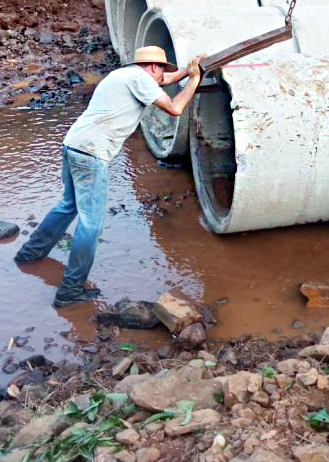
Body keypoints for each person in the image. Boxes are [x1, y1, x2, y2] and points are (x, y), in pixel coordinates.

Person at [15, 45, 203, 307]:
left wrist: (191, 69)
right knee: (91, 225)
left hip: (73, 144)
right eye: (162, 69)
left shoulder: (125, 76)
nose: (164, 75)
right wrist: (194, 80)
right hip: (92, 154)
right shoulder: (141, 79)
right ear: (152, 67)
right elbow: (174, 107)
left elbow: (168, 79)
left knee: (68, 206)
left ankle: (28, 255)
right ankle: (70, 290)